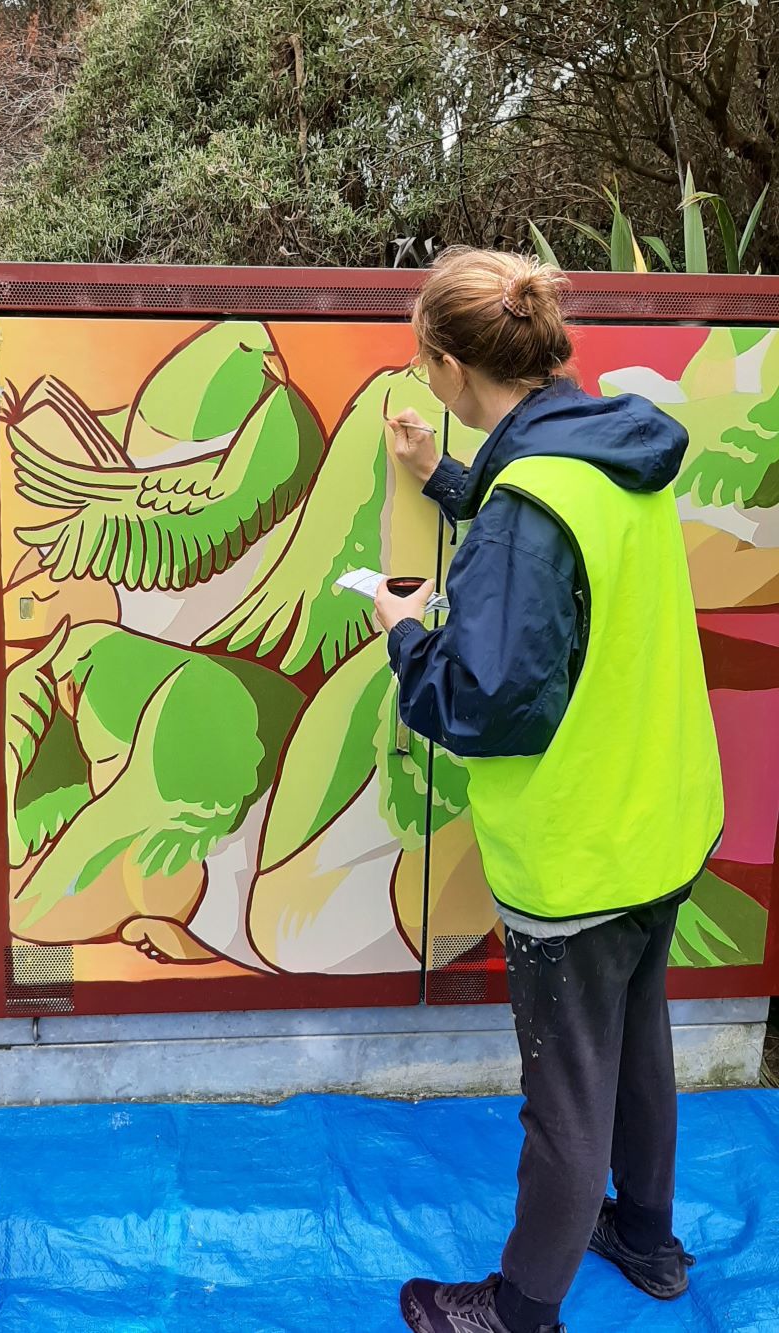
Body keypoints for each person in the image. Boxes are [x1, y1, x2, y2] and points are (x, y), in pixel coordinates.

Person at [374, 247, 724, 1333]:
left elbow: (487, 704)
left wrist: (403, 637)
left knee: (565, 1093)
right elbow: (540, 516)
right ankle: (650, 1239)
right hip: (658, 818)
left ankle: (517, 1310)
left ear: (441, 361)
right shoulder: (607, 444)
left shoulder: (531, 502)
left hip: (578, 849)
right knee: (638, 1041)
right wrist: (447, 477)